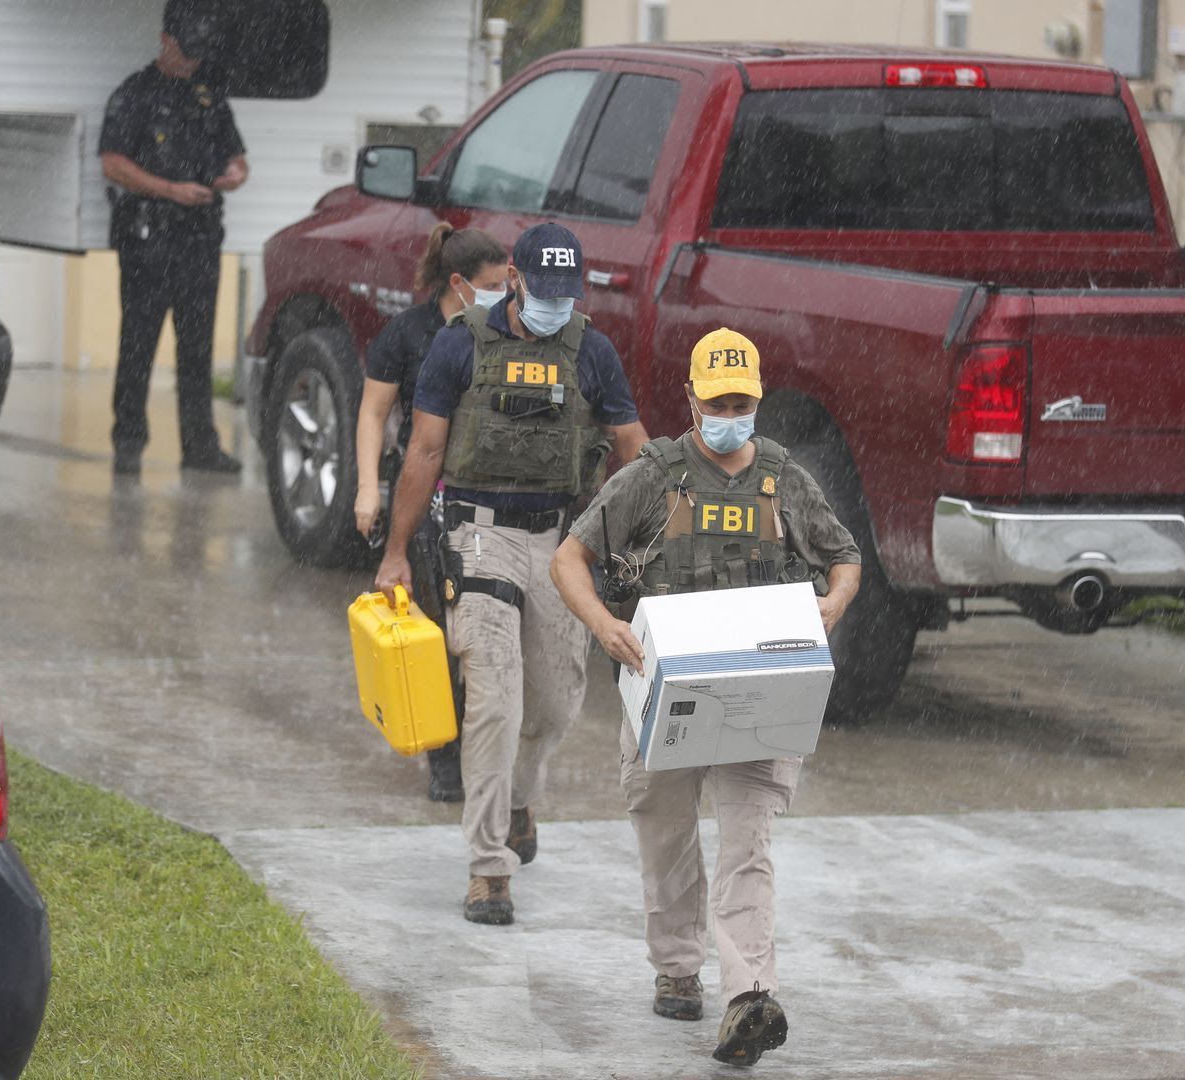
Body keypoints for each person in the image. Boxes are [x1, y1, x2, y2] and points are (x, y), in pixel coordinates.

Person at [548, 327, 862, 1068]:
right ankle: (678, 967)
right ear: (690, 399)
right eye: (717, 399)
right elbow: (570, 558)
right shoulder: (653, 475)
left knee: (747, 844)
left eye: (742, 400)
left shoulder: (785, 478)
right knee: (666, 836)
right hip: (664, 695)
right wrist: (605, 625)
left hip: (758, 694)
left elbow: (844, 556)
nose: (730, 411)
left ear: (756, 398)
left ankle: (750, 995)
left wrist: (833, 605)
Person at [374, 222, 649, 926]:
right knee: (494, 698)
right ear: (516, 278)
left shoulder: (593, 351)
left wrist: (650, 536)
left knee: (554, 703)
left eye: (569, 292)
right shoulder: (459, 342)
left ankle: (521, 798)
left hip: (561, 542)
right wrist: (396, 551)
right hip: (479, 532)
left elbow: (632, 449)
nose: (557, 303)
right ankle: (488, 867)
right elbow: (425, 452)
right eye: (544, 289)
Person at [355, 222, 510, 804]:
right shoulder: (409, 333)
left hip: (488, 495)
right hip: (426, 497)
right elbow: (374, 414)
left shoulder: (505, 331)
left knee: (486, 629)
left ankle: (486, 749)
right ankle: (446, 759)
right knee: (438, 630)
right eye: (494, 283)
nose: (506, 292)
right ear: (459, 283)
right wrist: (369, 490)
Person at [98, 0, 249, 475]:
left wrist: (231, 175)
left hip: (200, 241)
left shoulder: (209, 96)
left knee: (197, 347)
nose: (192, 60)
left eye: (198, 52)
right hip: (149, 240)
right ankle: (128, 442)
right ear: (166, 41)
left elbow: (239, 160)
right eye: (186, 51)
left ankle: (199, 446)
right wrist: (169, 190)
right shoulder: (135, 93)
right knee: (139, 344)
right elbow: (112, 163)